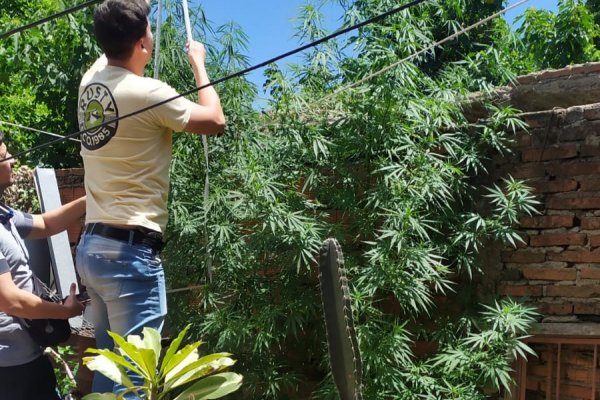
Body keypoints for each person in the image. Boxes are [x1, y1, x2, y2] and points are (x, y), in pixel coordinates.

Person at [75, 0, 225, 395]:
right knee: (136, 382)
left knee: (112, 373)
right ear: (143, 42)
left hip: (93, 249)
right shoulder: (148, 93)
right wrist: (198, 63)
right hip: (128, 257)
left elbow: (113, 29)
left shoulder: (89, 85)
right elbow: (215, 121)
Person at [0, 132, 86, 400]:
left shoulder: (5, 216)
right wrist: (63, 312)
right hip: (11, 367)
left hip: (24, 355)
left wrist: (91, 198)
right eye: (5, 156)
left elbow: (47, 224)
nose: (12, 161)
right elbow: (10, 300)